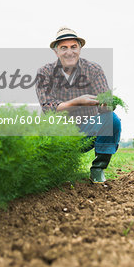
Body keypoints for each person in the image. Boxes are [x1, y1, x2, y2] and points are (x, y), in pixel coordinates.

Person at [35, 27, 121, 183]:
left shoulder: (93, 70)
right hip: (56, 136)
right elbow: (48, 108)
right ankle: (53, 169)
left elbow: (105, 104)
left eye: (73, 47)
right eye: (64, 48)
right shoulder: (45, 72)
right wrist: (78, 102)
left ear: (80, 48)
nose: (69, 52)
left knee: (112, 120)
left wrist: (106, 104)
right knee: (51, 174)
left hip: (86, 132)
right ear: (56, 52)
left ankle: (98, 169)